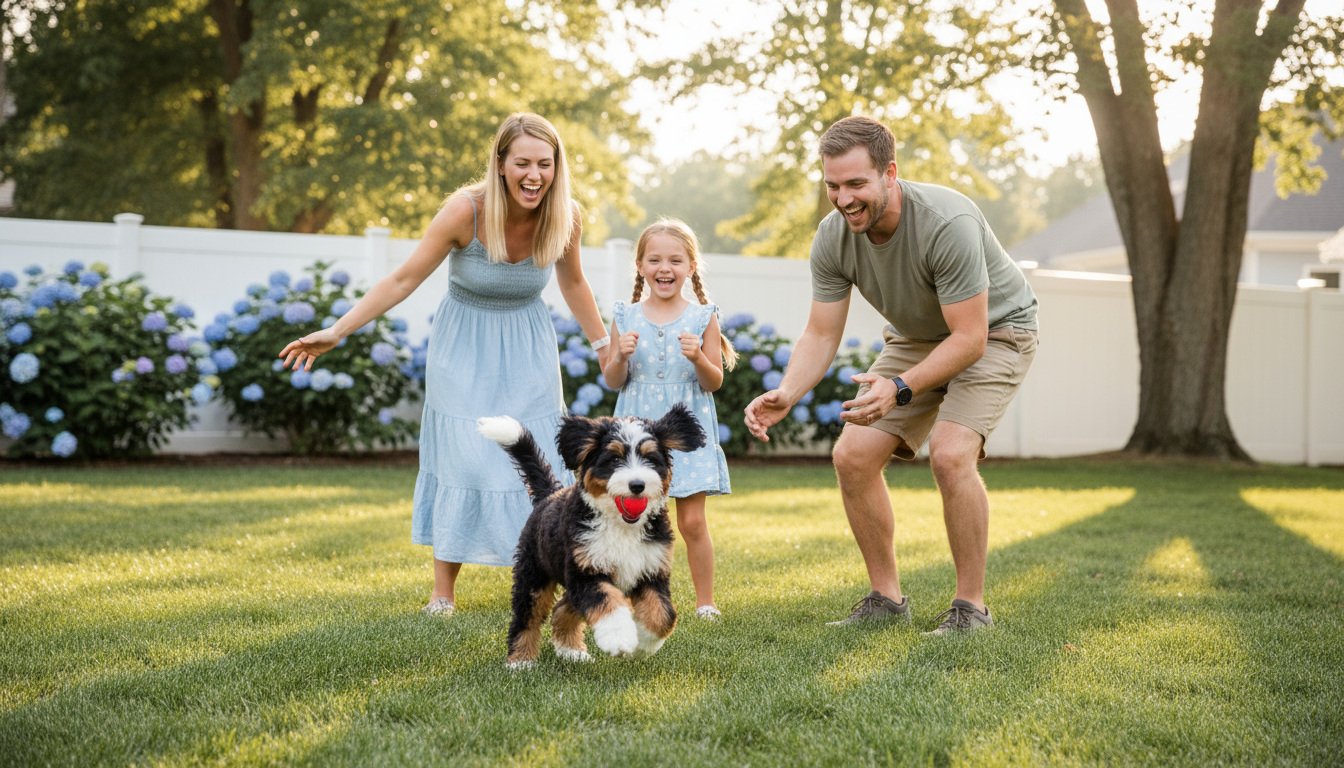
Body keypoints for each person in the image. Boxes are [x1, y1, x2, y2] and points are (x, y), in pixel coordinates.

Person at [279, 113, 610, 617]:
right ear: (500, 164)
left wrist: (603, 343)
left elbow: (574, 284)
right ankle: (443, 592)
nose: (534, 175)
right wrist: (338, 329)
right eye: (522, 162)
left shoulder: (566, 215)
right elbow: (403, 279)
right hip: (463, 347)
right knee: (466, 457)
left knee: (537, 461)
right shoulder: (465, 211)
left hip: (528, 345)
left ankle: (554, 577)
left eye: (545, 164)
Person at [744, 116, 1038, 634]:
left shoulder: (947, 222)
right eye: (832, 185)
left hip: (996, 332)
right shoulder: (834, 237)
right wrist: (787, 391)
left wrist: (900, 387)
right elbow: (819, 332)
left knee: (950, 454)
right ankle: (886, 599)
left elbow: (968, 339)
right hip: (917, 336)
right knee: (852, 456)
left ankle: (971, 609)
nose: (843, 198)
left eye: (856, 184)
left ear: (889, 174)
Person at [602, 218, 736, 619]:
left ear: (691, 267)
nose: (665, 268)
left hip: (683, 435)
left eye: (676, 260)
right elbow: (613, 380)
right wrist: (620, 355)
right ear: (640, 266)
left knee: (692, 522)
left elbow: (713, 382)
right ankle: (625, 598)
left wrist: (698, 357)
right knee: (632, 520)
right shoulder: (625, 316)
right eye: (655, 259)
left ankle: (705, 602)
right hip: (635, 438)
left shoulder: (702, 317)